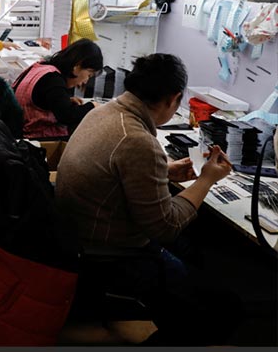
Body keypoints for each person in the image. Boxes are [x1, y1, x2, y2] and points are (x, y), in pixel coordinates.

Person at [56, 53, 240, 345]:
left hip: (79, 234)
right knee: (221, 313)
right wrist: (206, 180)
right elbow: (164, 226)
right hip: (108, 253)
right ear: (174, 99)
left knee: (192, 252)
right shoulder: (137, 140)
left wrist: (164, 171)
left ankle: (178, 302)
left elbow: (113, 165)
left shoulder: (104, 111)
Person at [12, 38, 103, 139]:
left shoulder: (42, 68)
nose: (86, 81)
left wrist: (65, 101)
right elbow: (67, 116)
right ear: (77, 66)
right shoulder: (53, 80)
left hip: (18, 133)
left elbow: (43, 100)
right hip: (35, 141)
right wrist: (93, 106)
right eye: (89, 75)